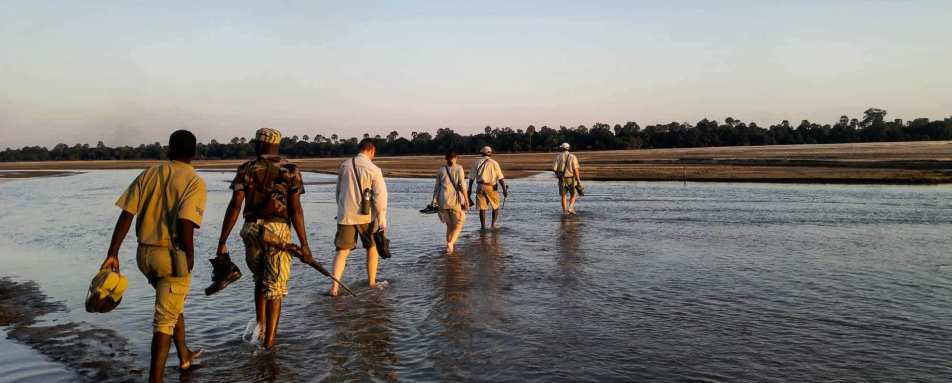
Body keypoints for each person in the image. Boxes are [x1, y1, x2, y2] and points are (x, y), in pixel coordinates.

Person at [98, 130, 206, 383]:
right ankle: (155, 380)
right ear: (194, 153)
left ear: (168, 150)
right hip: (171, 256)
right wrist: (189, 256)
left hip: (144, 256)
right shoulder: (194, 181)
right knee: (164, 319)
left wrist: (112, 252)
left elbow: (127, 214)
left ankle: (184, 355)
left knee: (170, 303)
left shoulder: (149, 173)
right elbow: (186, 221)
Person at [215, 128, 314, 349]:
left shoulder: (246, 169)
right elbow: (296, 210)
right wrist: (305, 245)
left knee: (260, 281)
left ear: (259, 145)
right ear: (277, 145)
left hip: (251, 230)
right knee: (275, 288)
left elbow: (234, 206)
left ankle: (260, 329)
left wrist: (222, 240)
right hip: (277, 231)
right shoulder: (290, 170)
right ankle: (269, 345)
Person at [329, 138, 389, 297]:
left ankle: (334, 288)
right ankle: (371, 282)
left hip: (346, 215)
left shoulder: (344, 165)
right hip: (366, 216)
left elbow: (338, 192)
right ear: (371, 150)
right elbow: (380, 196)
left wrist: (341, 209)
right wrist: (382, 216)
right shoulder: (374, 169)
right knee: (372, 248)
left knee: (342, 251)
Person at [430, 149, 469, 253]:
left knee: (449, 226)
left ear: (446, 158)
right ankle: (451, 243)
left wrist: (433, 201)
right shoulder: (459, 168)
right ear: (456, 158)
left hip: (442, 200)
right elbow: (462, 185)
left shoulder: (441, 170)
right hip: (454, 200)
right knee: (459, 223)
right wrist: (466, 199)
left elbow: (436, 187)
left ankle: (449, 249)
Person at [467, 146, 509, 229]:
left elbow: (471, 178)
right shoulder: (494, 163)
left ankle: (483, 227)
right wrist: (504, 189)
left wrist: (469, 189)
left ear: (481, 153)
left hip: (480, 186)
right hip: (492, 187)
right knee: (496, 206)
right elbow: (500, 178)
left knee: (482, 208)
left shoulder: (477, 162)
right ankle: (493, 224)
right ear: (490, 153)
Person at [552, 142, 581, 215]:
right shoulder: (573, 157)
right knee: (574, 194)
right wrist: (578, 180)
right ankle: (570, 207)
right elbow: (575, 169)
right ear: (569, 148)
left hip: (561, 179)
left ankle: (565, 211)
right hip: (571, 178)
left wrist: (558, 175)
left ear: (562, 148)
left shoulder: (558, 156)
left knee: (563, 196)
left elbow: (554, 169)